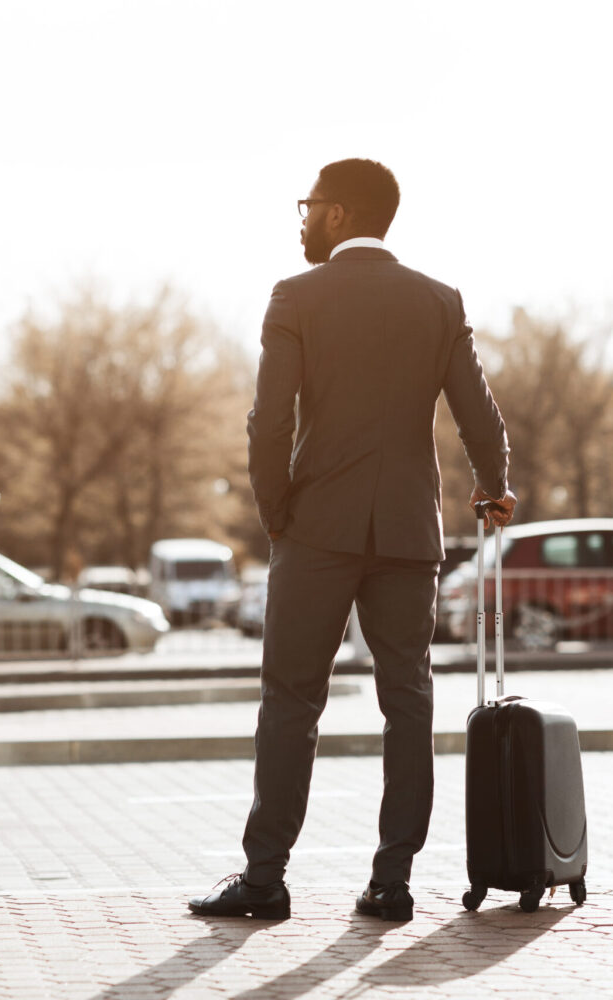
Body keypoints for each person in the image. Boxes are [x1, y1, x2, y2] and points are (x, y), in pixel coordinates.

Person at [189, 158, 516, 923]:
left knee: (291, 701)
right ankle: (392, 881)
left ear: (337, 215)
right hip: (407, 529)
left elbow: (269, 421)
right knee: (407, 699)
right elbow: (480, 414)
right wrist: (492, 485)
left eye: (308, 206)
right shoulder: (439, 301)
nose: (301, 220)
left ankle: (265, 878)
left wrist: (277, 511)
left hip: (316, 528)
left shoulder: (297, 297)